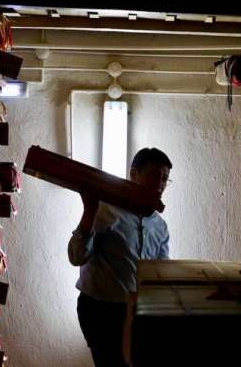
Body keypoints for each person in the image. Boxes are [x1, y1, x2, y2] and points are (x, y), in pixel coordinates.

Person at [68, 147, 172, 367]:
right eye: (154, 175)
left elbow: (161, 273)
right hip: (100, 310)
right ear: (133, 174)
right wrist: (89, 211)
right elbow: (76, 256)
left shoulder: (160, 226)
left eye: (165, 178)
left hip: (137, 312)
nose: (160, 184)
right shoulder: (106, 210)